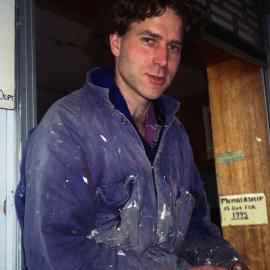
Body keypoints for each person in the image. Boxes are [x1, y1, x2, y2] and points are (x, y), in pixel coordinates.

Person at [15, 0, 249, 269]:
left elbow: (196, 230)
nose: (163, 60)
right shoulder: (69, 124)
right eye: (150, 40)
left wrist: (230, 263)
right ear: (116, 43)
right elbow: (55, 253)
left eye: (173, 47)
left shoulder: (176, 135)